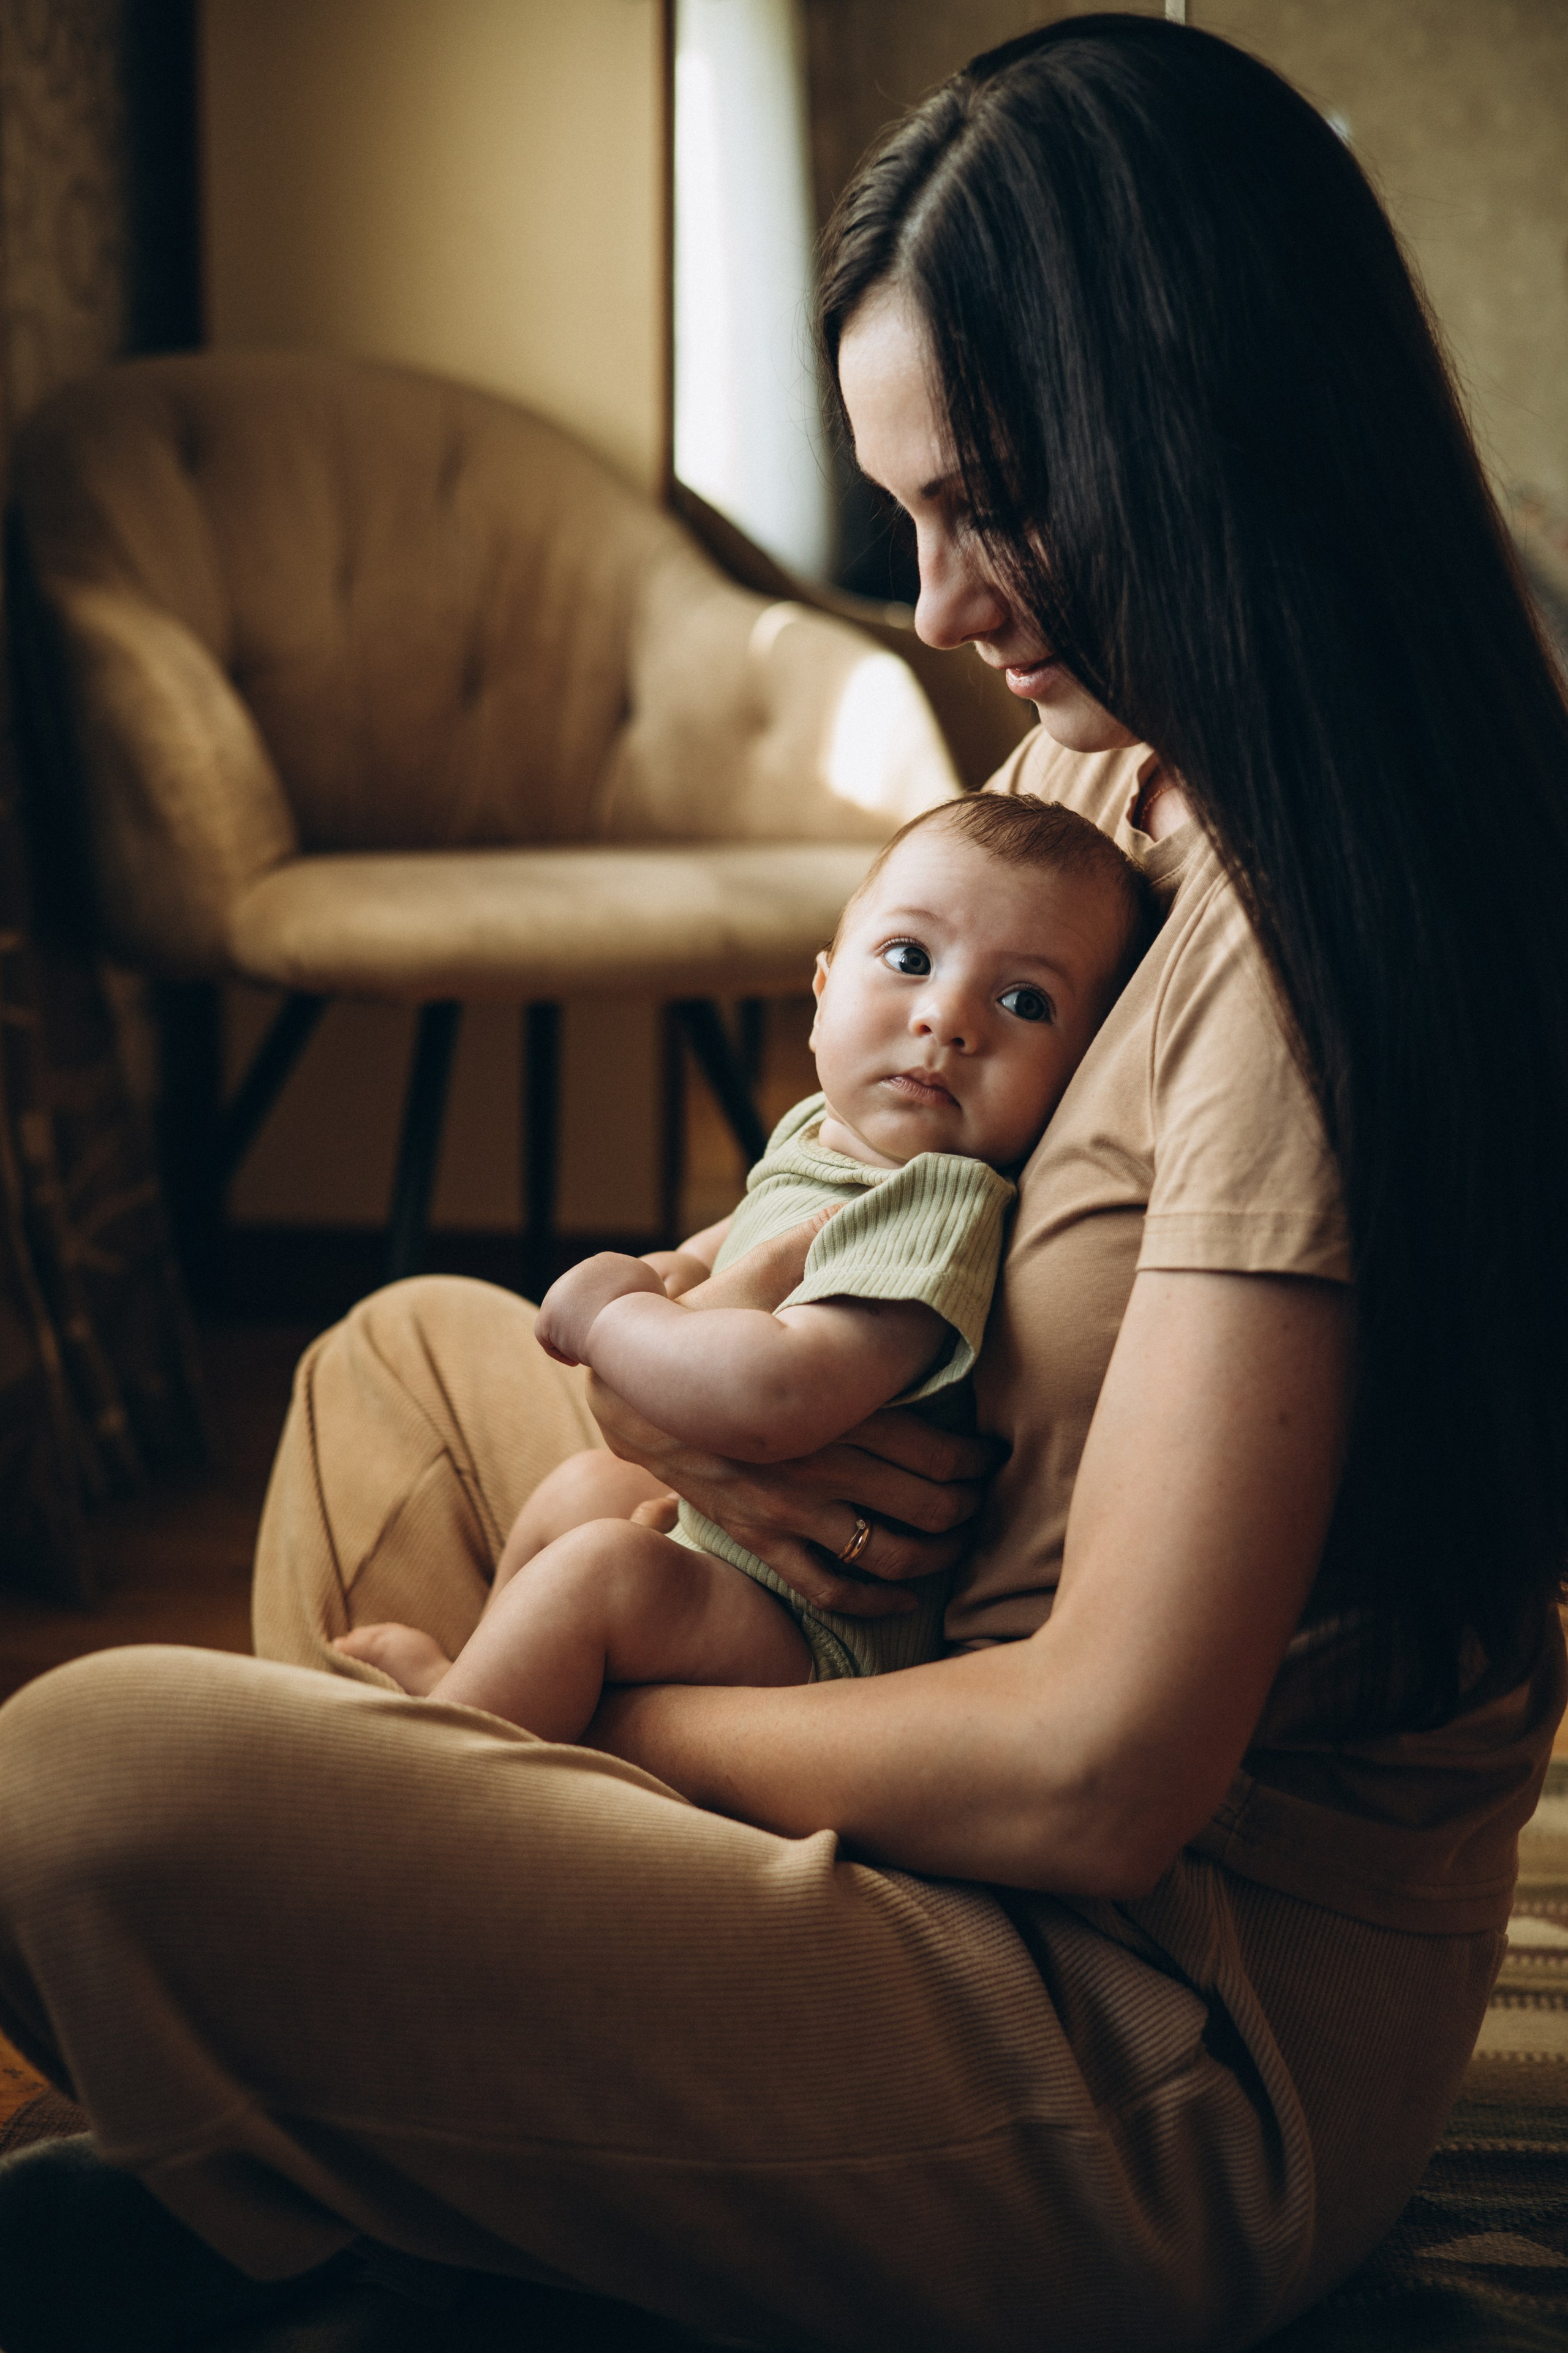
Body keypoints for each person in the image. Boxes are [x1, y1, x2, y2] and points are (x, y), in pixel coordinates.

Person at [1, 17, 1566, 2353]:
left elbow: (1102, 1777)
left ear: (1203, 429)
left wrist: (580, 1716)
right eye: (906, 511)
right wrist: (666, 1406)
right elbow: (866, 1191)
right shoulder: (1117, 758)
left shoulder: (1325, 943)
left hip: (1136, 2031)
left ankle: (378, 2128)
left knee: (79, 1785)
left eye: (990, 502)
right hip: (910, 1676)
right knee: (409, 1366)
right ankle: (419, 2129)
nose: (939, 607)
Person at [333, 795, 1151, 1728]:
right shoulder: (826, 1133)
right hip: (732, 1557)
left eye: (1024, 1002)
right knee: (586, 1490)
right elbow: (722, 1252)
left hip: (822, 1639)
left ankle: (439, 1761)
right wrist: (669, 1276)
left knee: (602, 1575)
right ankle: (481, 1684)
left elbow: (774, 1396)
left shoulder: (937, 1206)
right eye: (911, 958)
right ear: (820, 993)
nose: (947, 1017)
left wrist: (612, 1319)